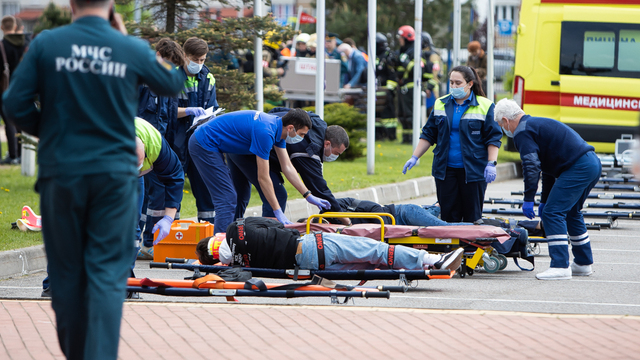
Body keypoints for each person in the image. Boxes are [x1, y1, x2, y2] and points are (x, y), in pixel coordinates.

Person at [2, 1, 184, 358]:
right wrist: (127, 39)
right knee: (105, 274)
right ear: (112, 6)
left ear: (71, 3)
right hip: (114, 179)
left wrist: (51, 131)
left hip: (63, 173)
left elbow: (13, 102)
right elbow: (173, 80)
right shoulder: (128, 47)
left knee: (66, 274)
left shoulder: (47, 43)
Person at [494, 98, 601, 280]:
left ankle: (560, 266)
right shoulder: (534, 125)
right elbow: (549, 170)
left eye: (501, 125)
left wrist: (528, 199)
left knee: (553, 213)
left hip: (578, 167)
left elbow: (531, 165)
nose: (505, 130)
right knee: (572, 212)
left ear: (505, 120)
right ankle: (583, 263)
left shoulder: (522, 132)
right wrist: (543, 200)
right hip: (591, 163)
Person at [188, 109, 331, 234]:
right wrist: (277, 211)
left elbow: (287, 167)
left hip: (212, 143)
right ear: (291, 128)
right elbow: (263, 177)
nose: (302, 138)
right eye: (302, 134)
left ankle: (231, 240)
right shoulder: (265, 132)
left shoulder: (277, 128)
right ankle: (218, 250)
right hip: (203, 143)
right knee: (227, 198)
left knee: (238, 196)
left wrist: (308, 195)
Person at [403, 66, 502, 223]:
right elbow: (428, 134)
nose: (454, 87)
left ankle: (470, 247)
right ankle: (451, 247)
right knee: (448, 217)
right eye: (451, 83)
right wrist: (414, 157)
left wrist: (491, 163)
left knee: (473, 218)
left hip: (473, 171)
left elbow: (493, 138)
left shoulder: (485, 106)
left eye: (458, 83)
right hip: (445, 171)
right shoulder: (440, 104)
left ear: (470, 84)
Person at [195, 217, 465, 271]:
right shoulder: (236, 226)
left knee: (372, 265)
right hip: (313, 245)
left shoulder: (237, 267)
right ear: (215, 237)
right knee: (377, 251)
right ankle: (431, 260)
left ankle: (423, 266)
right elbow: (276, 226)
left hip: (309, 266)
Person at [227, 107, 350, 223]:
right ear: (327, 144)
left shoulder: (311, 122)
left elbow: (277, 111)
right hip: (249, 149)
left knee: (239, 195)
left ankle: (230, 233)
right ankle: (267, 236)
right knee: (277, 194)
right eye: (336, 153)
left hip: (235, 143)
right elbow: (318, 187)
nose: (335, 156)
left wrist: (307, 195)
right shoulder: (307, 148)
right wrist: (342, 217)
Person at [137, 38, 186, 259]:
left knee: (154, 196)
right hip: (138, 143)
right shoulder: (142, 81)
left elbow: (166, 115)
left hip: (157, 144)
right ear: (157, 55)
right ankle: (146, 241)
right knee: (147, 196)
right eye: (167, 63)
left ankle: (149, 239)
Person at [166, 37, 218, 226]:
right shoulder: (172, 76)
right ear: (185, 56)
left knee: (205, 191)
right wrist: (187, 111)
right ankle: (173, 233)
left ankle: (208, 236)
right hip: (176, 140)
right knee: (174, 189)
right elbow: (165, 111)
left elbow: (213, 107)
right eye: (195, 59)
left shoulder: (208, 78)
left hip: (200, 140)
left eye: (202, 60)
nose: (199, 64)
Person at [325, 198, 473, 227]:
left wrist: (348, 222)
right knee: (429, 215)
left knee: (443, 227)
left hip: (402, 214)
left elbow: (375, 208)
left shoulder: (339, 205)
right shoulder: (323, 221)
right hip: (402, 217)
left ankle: (477, 226)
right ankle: (437, 207)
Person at [0, 15, 26, 165]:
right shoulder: (25, 44)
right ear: (15, 27)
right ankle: (22, 153)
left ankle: (13, 154)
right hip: (22, 87)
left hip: (4, 88)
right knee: (20, 121)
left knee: (8, 121)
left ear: (2, 27)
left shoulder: (2, 45)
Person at [375, 32, 399, 140]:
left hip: (387, 90)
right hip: (377, 90)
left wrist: (389, 90)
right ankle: (378, 134)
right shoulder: (375, 56)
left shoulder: (388, 56)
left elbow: (392, 75)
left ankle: (390, 135)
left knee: (388, 114)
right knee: (377, 114)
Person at [421, 31, 443, 116]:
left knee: (431, 114)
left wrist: (429, 88)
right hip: (425, 88)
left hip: (432, 90)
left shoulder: (433, 55)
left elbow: (436, 75)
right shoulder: (423, 54)